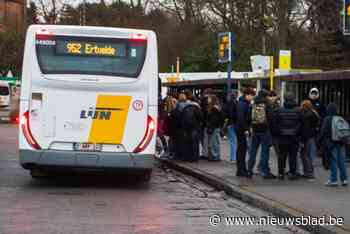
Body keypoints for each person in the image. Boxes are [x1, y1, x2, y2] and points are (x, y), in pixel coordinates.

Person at [272, 93, 302, 180]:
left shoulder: (278, 110)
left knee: (282, 156)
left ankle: (281, 173)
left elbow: (275, 125)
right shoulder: (298, 111)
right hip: (294, 137)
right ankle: (292, 173)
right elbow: (301, 124)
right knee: (293, 156)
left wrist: (277, 134)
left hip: (282, 137)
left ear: (284, 100)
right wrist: (297, 133)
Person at [247, 89, 275, 179]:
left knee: (253, 151)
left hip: (255, 130)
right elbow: (271, 118)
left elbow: (249, 117)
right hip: (264, 130)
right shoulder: (267, 104)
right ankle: (265, 172)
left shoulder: (253, 103)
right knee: (264, 151)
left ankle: (249, 170)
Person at [320, 103, 348, 186]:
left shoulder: (327, 119)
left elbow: (323, 132)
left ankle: (334, 180)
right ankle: (344, 180)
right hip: (341, 142)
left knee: (333, 161)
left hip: (331, 143)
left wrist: (321, 142)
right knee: (342, 162)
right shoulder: (341, 118)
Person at [177, 92, 204, 162]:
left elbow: (181, 119)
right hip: (195, 127)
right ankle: (195, 157)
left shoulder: (185, 107)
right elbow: (201, 117)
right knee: (195, 142)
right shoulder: (196, 107)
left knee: (188, 143)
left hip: (186, 128)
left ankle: (188, 157)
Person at [235, 88, 255, 177]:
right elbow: (241, 118)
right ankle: (241, 170)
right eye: (251, 96)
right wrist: (246, 129)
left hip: (240, 129)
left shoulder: (242, 103)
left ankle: (241, 169)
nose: (252, 98)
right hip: (241, 130)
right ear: (247, 95)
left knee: (241, 150)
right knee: (241, 150)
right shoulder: (243, 104)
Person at [300, 100, 320, 179]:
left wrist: (302, 140)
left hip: (306, 137)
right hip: (312, 137)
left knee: (305, 155)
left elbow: (305, 129)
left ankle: (308, 172)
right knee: (308, 155)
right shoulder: (314, 113)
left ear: (305, 106)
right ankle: (309, 172)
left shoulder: (306, 116)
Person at [223, 90, 239, 162]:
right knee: (237, 142)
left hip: (230, 123)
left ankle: (233, 158)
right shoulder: (238, 104)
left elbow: (224, 114)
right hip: (237, 124)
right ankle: (236, 157)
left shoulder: (227, 104)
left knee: (233, 142)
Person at [206, 95, 224, 161]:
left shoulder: (214, 108)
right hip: (215, 127)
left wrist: (210, 124)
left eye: (209, 98)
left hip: (214, 127)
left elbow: (214, 119)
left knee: (214, 142)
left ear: (212, 99)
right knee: (214, 142)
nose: (208, 99)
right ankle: (215, 156)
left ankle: (216, 156)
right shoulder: (216, 107)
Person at [200, 88, 213, 159]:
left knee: (205, 139)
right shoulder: (210, 101)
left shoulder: (204, 100)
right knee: (209, 140)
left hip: (205, 122)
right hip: (208, 122)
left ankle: (205, 153)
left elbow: (204, 111)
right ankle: (209, 153)